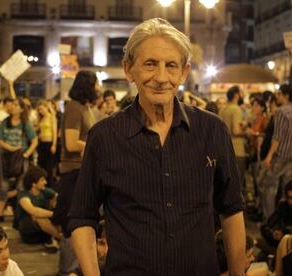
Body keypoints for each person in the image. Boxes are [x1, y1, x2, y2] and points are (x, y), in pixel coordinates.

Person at [68, 18, 246, 275]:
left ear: (184, 72)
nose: (161, 77)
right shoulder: (104, 137)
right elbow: (83, 217)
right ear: (129, 69)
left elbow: (231, 208)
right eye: (150, 64)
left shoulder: (212, 130)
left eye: (171, 66)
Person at [52, 70, 98, 275]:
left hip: (82, 169)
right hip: (73, 171)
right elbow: (71, 143)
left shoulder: (84, 108)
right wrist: (95, 146)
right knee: (72, 221)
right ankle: (68, 270)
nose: (99, 88)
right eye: (96, 83)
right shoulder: (73, 108)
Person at [0, 97, 38, 222]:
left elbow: (34, 141)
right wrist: (11, 148)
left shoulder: (25, 124)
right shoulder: (5, 122)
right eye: (12, 104)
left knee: (21, 186)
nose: (12, 106)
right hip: (6, 158)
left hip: (20, 158)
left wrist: (26, 153)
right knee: (3, 185)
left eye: (15, 105)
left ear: (20, 109)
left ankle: (19, 214)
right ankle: (0, 214)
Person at [261, 84, 292, 219]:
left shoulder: (281, 111)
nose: (277, 96)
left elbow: (277, 136)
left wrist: (268, 156)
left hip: (280, 155)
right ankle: (286, 220)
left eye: (279, 94)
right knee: (287, 190)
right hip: (291, 157)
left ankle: (270, 220)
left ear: (286, 95)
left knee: (268, 187)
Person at [15, 166, 61, 245]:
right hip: (29, 232)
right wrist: (55, 214)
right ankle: (62, 239)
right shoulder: (23, 196)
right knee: (39, 216)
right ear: (33, 183)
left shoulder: (45, 191)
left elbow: (60, 198)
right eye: (42, 180)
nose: (45, 182)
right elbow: (33, 211)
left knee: (56, 204)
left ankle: (61, 237)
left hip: (45, 230)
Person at [219, 85, 248, 193]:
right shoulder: (236, 109)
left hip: (224, 149)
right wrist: (246, 133)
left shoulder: (223, 109)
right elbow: (236, 131)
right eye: (241, 93)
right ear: (236, 96)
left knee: (226, 184)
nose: (243, 95)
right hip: (237, 150)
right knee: (237, 183)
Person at [261, 181, 292, 248]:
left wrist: (284, 233)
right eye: (290, 198)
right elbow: (265, 226)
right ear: (286, 198)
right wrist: (272, 234)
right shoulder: (283, 205)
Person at [36, 100, 57, 188]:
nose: (40, 111)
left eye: (41, 109)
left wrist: (54, 144)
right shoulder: (41, 118)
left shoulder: (52, 117)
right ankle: (41, 184)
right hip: (41, 143)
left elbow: (54, 132)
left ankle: (49, 186)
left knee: (49, 167)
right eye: (39, 110)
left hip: (49, 143)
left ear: (46, 107)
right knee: (41, 165)